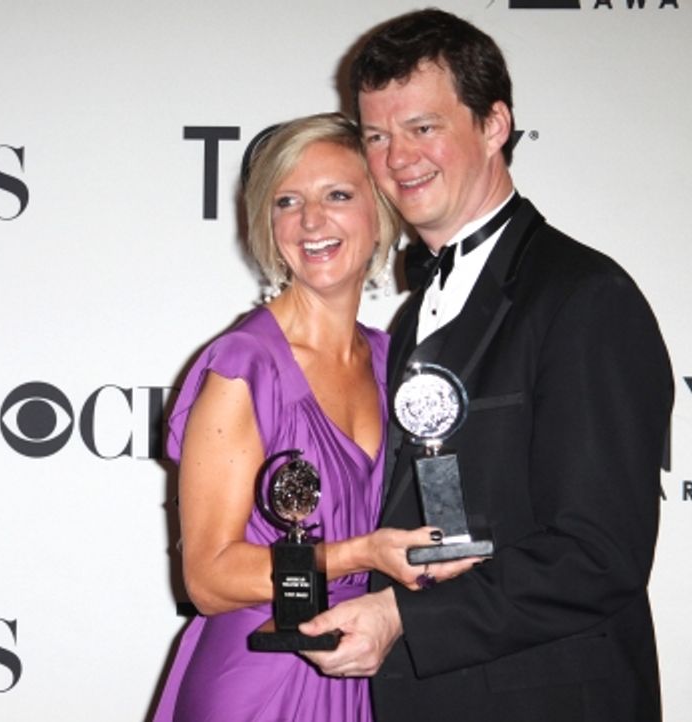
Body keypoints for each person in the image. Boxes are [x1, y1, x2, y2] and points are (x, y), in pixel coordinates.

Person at [299, 10, 673, 722]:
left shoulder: (585, 297)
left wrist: (406, 620)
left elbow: (599, 556)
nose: (397, 157)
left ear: (495, 125)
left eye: (423, 127)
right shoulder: (412, 315)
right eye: (377, 135)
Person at [152, 113, 468, 722]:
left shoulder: (393, 361)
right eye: (288, 201)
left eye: (338, 196)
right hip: (261, 679)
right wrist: (361, 555)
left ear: (380, 213)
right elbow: (209, 577)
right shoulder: (244, 368)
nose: (311, 222)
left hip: (366, 673)